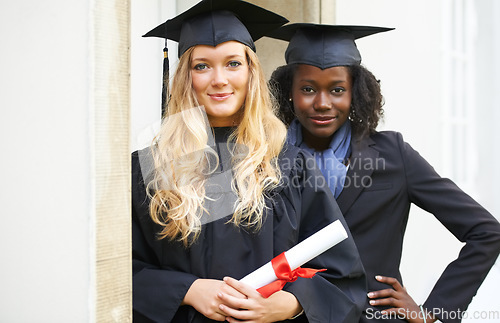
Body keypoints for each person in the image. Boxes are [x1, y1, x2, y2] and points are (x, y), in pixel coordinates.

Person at [132, 2, 366, 322]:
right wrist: (187, 289)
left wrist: (289, 305)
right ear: (185, 77)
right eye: (202, 66)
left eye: (232, 63)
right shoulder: (150, 168)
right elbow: (120, 270)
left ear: (250, 72)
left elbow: (342, 274)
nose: (219, 80)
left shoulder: (289, 165)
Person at [268, 23, 500, 323]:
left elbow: (487, 232)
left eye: (337, 90)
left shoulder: (392, 155)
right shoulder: (266, 159)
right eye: (308, 89)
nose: (322, 103)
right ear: (289, 93)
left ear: (356, 93)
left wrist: (434, 313)